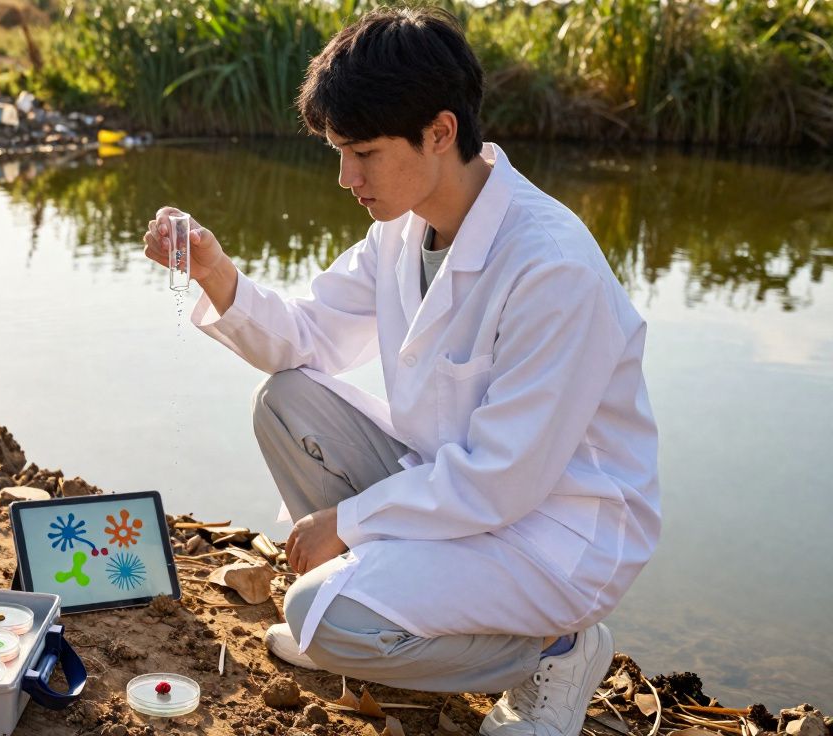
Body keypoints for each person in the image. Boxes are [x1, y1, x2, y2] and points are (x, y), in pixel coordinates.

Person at [141, 7, 660, 736]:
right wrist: (217, 273)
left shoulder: (551, 266)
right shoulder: (404, 229)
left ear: (441, 132)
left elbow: (503, 479)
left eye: (363, 153)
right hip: (464, 494)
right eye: (336, 151)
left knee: (322, 618)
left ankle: (558, 649)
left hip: (555, 531)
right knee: (287, 403)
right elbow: (306, 337)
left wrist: (347, 526)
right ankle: (375, 612)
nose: (346, 178)